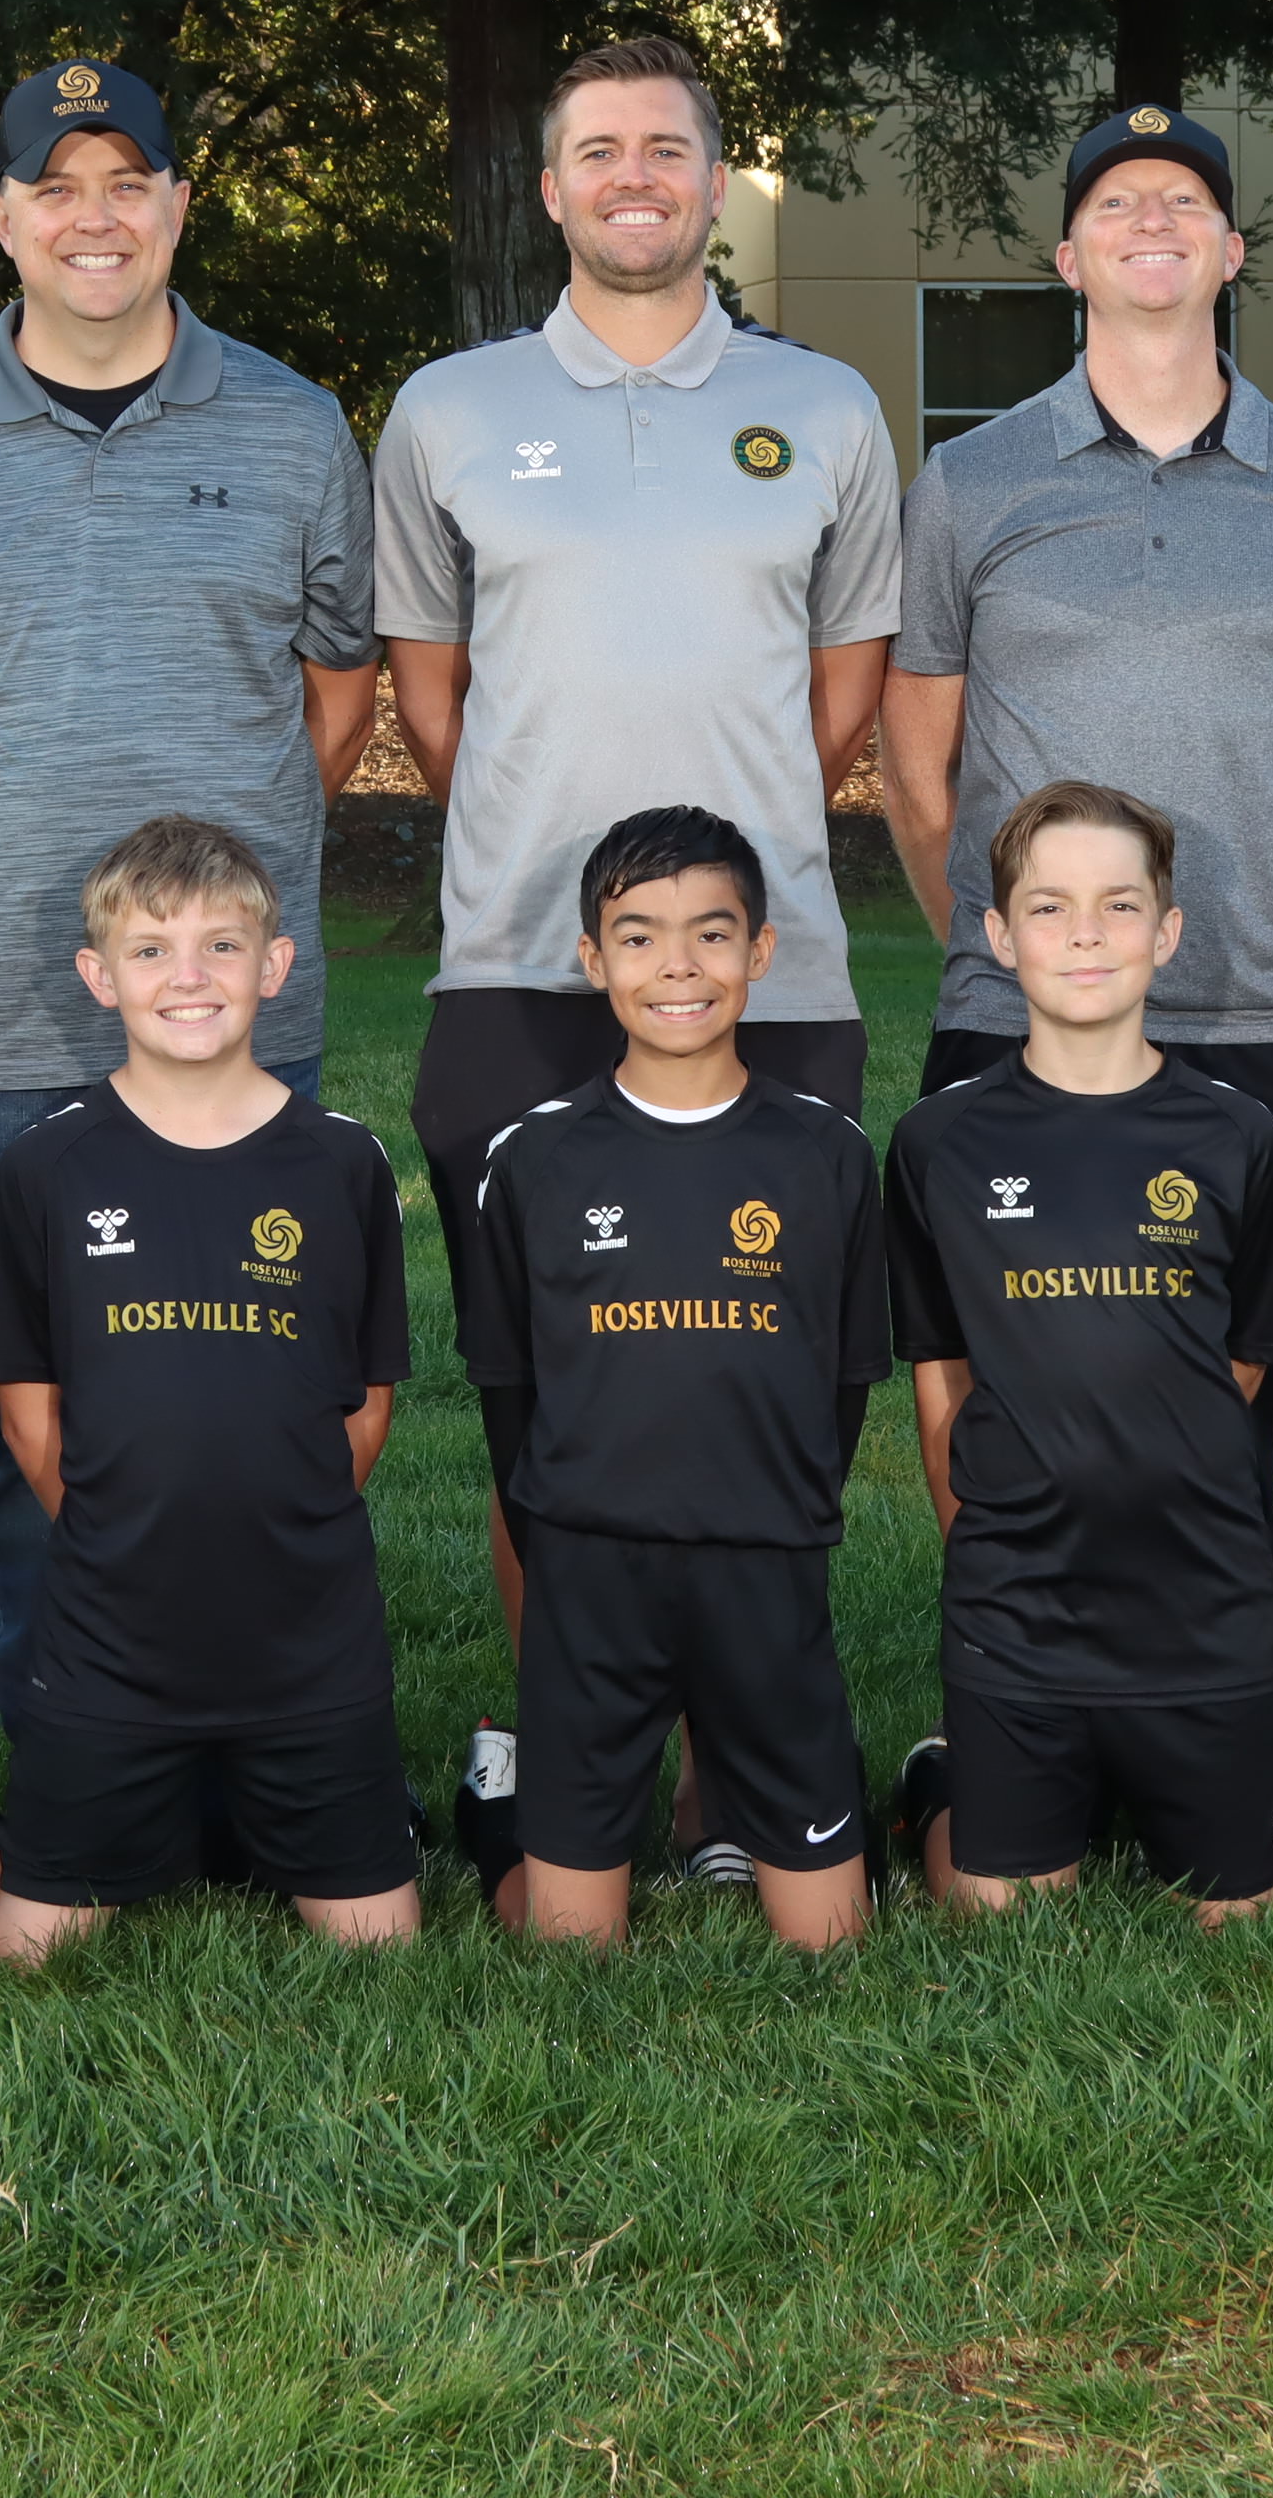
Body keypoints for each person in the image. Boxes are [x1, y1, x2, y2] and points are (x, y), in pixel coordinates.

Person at [0, 61, 376, 1734]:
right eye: (56, 187)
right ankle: (73, 1740)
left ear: (179, 204)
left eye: (129, 180)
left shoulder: (294, 426)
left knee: (259, 1396)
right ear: (1, 217)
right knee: (36, 1417)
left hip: (236, 1023)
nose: (95, 217)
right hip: (5, 1023)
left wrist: (207, 917)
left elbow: (336, 698)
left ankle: (264, 1737)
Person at [376, 33, 898, 1650]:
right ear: (551, 190)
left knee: (763, 1370)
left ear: (716, 182)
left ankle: (738, 1752)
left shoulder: (825, 408)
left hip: (772, 979)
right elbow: (432, 696)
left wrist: (716, 868)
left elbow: (846, 694)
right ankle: (568, 1741)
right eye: (598, 150)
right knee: (538, 1388)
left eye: (666, 148)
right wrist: (555, 843)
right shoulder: (447, 410)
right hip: (518, 969)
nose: (634, 178)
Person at [882, 104, 1273, 1516]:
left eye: (1185, 199)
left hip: (1245, 1016)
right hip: (1015, 1022)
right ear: (1069, 261)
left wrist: (1241, 912)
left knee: (1222, 1393)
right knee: (999, 1383)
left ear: (1232, 251)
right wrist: (1004, 947)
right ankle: (1004, 1633)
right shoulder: (969, 481)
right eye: (1116, 203)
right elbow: (919, 771)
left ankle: (1216, 1637)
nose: (1153, 221)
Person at [0, 817, 420, 1963]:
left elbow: (367, 1400)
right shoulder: (47, 1164)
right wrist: (117, 1535)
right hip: (112, 1634)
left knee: (379, 1949)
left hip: (307, 1634)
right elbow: (26, 1407)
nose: (190, 975)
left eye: (222, 945)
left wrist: (283, 1525)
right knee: (27, 1949)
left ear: (275, 965)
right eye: (151, 949)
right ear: (100, 975)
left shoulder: (343, 1162)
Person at [882, 782, 1273, 1926]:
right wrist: (988, 1540)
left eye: (1119, 904)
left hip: (1199, 1597)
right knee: (995, 1911)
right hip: (1018, 1600)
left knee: (1247, 1912)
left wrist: (1152, 1472)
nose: (1085, 933)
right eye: (1050, 906)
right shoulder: (938, 1141)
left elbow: (1242, 1363)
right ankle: (947, 1772)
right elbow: (942, 1371)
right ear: (1000, 935)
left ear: (1167, 931)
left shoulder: (1242, 1136)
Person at [445, 807, 895, 1950]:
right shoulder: (533, 1157)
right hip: (593, 1582)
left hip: (766, 1573)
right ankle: (503, 1815)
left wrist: (778, 1504)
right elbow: (509, 1392)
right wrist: (565, 1538)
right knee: (569, 1942)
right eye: (639, 936)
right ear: (593, 960)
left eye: (712, 932)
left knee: (831, 1938)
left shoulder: (828, 1154)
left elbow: (845, 1379)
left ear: (760, 949)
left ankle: (771, 1787)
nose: (678, 965)